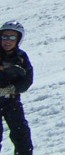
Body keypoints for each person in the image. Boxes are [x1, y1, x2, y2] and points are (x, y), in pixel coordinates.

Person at [0, 21, 33, 155]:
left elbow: (27, 79)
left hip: (11, 100)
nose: (8, 40)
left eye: (12, 37)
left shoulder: (21, 57)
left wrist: (13, 88)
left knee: (21, 135)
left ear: (18, 39)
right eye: (5, 36)